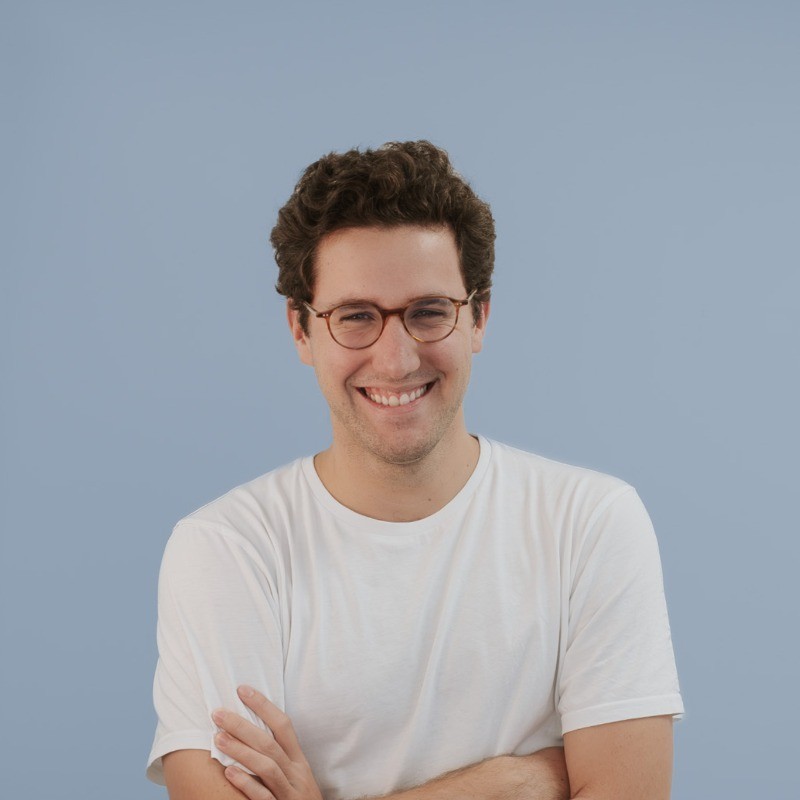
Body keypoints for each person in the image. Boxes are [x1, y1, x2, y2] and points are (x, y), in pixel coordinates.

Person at [147, 140, 683, 800]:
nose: (397, 360)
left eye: (429, 312)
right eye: (355, 317)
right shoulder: (227, 549)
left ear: (478, 317)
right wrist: (514, 782)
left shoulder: (590, 523)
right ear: (301, 330)